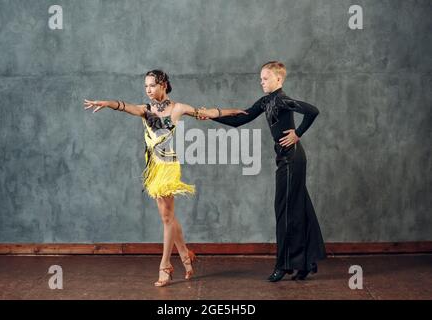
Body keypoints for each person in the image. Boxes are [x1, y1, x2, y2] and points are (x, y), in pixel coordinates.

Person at [84, 70, 247, 287]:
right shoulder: (145, 110)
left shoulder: (178, 108)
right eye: (145, 87)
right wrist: (106, 103)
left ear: (163, 85)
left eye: (152, 85)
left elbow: (208, 112)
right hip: (154, 168)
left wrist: (232, 112)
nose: (148, 90)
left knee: (167, 218)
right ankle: (186, 257)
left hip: (169, 167)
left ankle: (165, 265)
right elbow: (123, 106)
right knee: (168, 217)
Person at [207, 61, 327, 281]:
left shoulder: (281, 99)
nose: (261, 81)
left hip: (292, 158)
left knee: (285, 210)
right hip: (286, 158)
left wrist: (297, 133)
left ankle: (284, 265)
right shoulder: (266, 101)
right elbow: (240, 119)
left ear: (278, 79)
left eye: (265, 78)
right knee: (299, 208)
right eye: (261, 78)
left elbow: (312, 111)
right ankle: (306, 263)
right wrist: (210, 115)